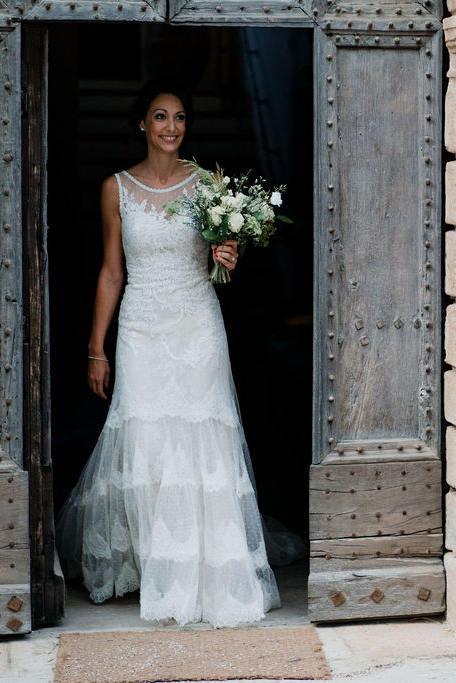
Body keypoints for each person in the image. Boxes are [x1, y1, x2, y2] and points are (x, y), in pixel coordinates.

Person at [55, 80, 283, 627]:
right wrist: (95, 348)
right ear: (142, 123)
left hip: (197, 324)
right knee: (146, 437)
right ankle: (153, 563)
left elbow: (222, 262)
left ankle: (206, 572)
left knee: (203, 435)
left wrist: (228, 256)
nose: (171, 127)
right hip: (140, 328)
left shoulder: (209, 184)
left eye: (179, 117)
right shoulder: (115, 188)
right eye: (160, 117)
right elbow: (112, 272)